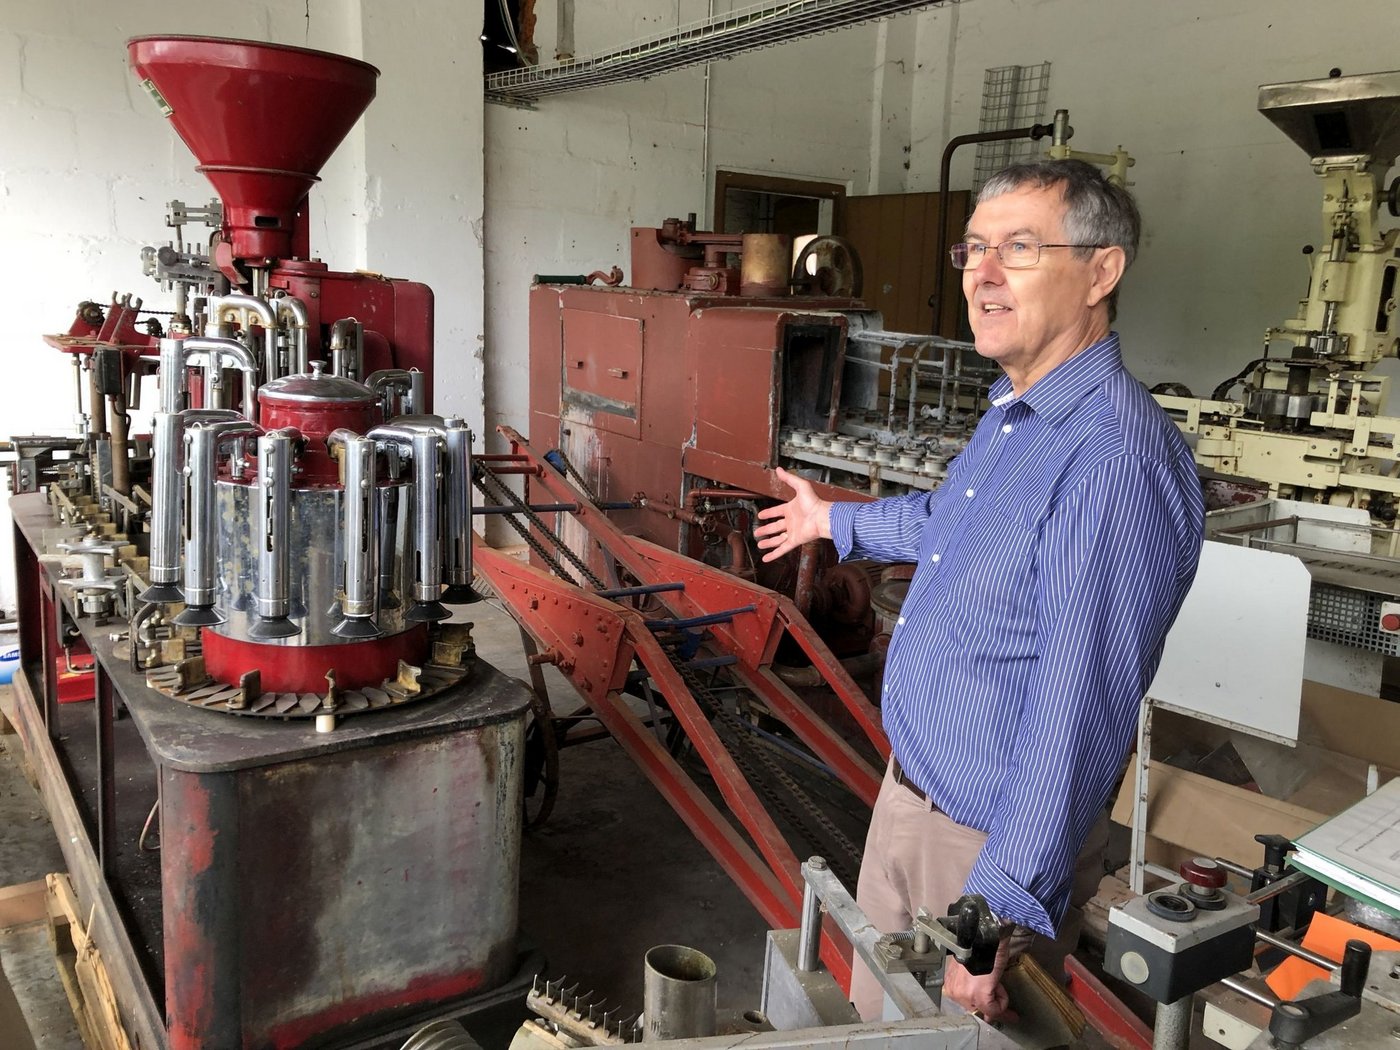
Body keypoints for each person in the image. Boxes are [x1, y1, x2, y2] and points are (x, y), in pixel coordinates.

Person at [754, 159, 1205, 1021]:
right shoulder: (1015, 413)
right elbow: (949, 528)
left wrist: (992, 914)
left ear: (1101, 272)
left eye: (1020, 249)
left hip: (980, 848)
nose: (983, 275)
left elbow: (1079, 708)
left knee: (938, 1036)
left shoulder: (1111, 459)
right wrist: (838, 526)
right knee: (874, 1023)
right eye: (974, 250)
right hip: (912, 794)